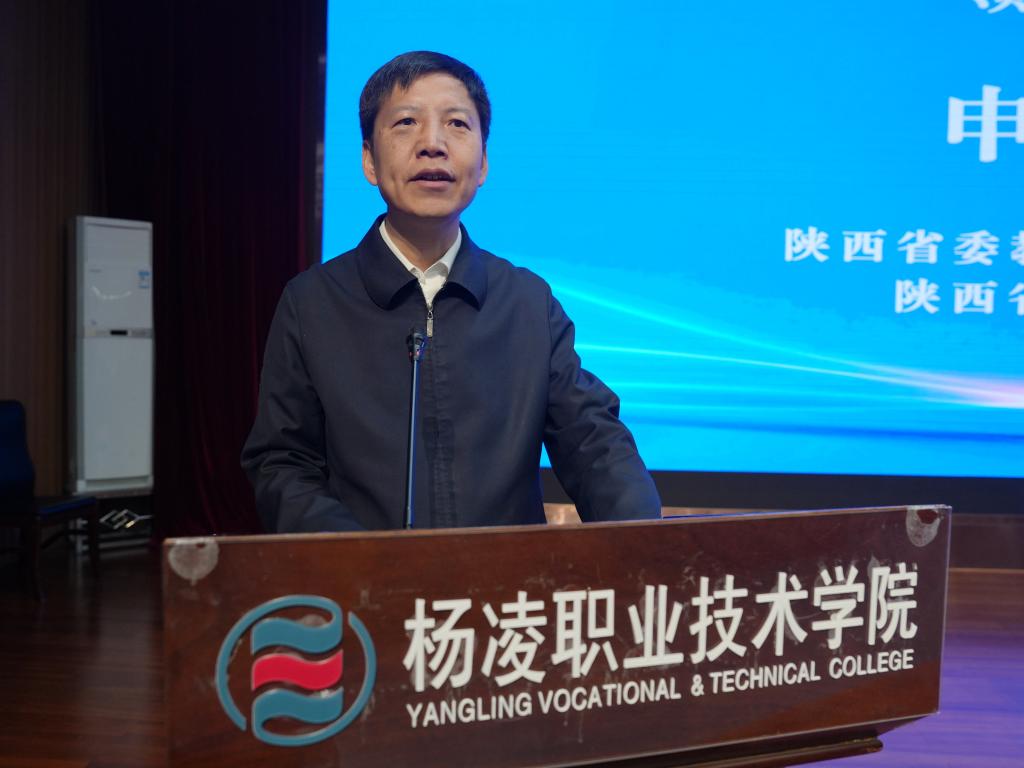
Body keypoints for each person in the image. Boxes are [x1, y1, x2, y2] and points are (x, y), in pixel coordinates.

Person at [241, 51, 660, 532]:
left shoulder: (527, 303)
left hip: (506, 578)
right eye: (406, 122)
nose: (432, 144)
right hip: (363, 577)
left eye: (457, 124)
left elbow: (594, 442)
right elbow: (283, 466)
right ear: (369, 160)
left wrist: (644, 545)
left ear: (482, 163)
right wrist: (364, 561)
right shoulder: (313, 303)